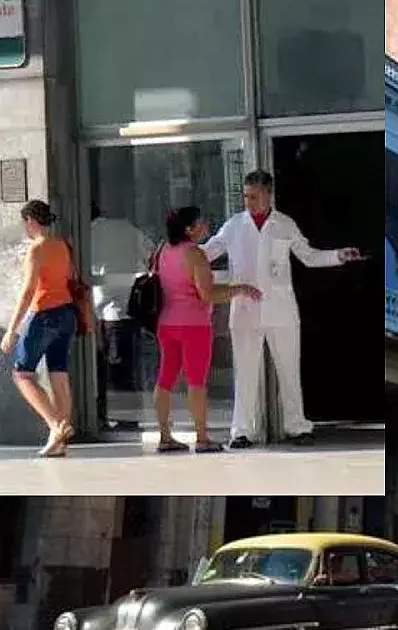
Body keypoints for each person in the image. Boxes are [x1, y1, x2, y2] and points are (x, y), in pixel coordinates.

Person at [201, 170, 366, 448]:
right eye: (246, 196)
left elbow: (309, 256)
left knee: (289, 370)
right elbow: (206, 252)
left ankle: (297, 427)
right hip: (244, 311)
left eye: (254, 196)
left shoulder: (284, 224)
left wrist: (338, 255)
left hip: (281, 309)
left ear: (268, 195)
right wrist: (178, 253)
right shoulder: (234, 226)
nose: (249, 202)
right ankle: (241, 432)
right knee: (245, 372)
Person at [152, 207, 262, 454]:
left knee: (165, 378)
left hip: (167, 323)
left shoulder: (164, 250)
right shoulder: (195, 255)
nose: (206, 227)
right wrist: (240, 289)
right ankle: (201, 437)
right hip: (194, 325)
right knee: (196, 381)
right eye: (201, 223)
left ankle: (164, 436)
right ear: (189, 229)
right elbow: (207, 294)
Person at [0, 200, 81, 458]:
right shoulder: (62, 246)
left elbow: (28, 291)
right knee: (59, 372)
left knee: (21, 374)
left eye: (25, 222)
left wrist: (12, 329)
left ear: (31, 221)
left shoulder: (36, 249)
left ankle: (56, 426)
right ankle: (61, 440)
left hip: (44, 314)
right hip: (67, 313)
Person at [89, 204, 154, 431]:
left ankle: (112, 417)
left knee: (108, 367)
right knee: (125, 367)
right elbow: (151, 255)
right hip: (127, 307)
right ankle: (127, 416)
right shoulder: (129, 229)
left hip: (103, 310)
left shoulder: (88, 233)